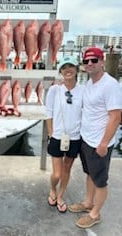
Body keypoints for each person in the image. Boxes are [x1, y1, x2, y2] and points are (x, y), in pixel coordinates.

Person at [68, 47, 122, 228]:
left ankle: (95, 214)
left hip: (99, 142)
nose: (90, 63)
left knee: (100, 180)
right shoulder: (90, 83)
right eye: (86, 61)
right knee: (89, 174)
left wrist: (104, 143)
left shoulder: (110, 84)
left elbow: (115, 116)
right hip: (86, 139)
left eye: (94, 60)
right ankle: (87, 203)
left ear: (102, 62)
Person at [45, 56, 83, 213]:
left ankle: (60, 196)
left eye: (71, 66)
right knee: (57, 173)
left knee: (67, 168)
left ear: (77, 69)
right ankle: (53, 189)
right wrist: (51, 133)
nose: (68, 69)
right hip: (57, 136)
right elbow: (49, 113)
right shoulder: (55, 89)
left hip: (75, 137)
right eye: (64, 67)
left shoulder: (83, 90)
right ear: (60, 71)